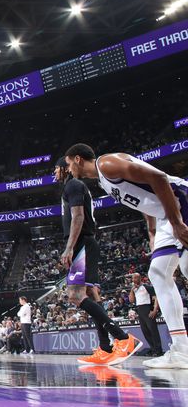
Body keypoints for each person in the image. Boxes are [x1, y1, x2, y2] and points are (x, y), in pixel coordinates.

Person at [65, 143, 188, 369]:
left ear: (78, 159)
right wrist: (151, 229)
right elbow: (142, 198)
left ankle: (182, 349)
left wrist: (178, 223)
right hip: (164, 217)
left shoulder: (108, 164)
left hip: (180, 203)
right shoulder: (103, 180)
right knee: (159, 273)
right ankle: (182, 350)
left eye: (68, 163)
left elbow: (159, 178)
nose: (68, 169)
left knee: (173, 271)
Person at [55, 155, 140, 366]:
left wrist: (69, 247)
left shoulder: (73, 185)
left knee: (74, 295)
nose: (54, 174)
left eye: (56, 169)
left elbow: (78, 217)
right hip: (86, 242)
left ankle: (123, 338)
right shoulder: (76, 186)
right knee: (92, 296)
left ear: (65, 168)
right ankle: (105, 348)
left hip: (81, 243)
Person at [129, 272, 163, 356]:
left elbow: (156, 297)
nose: (133, 280)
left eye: (135, 278)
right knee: (145, 331)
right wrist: (132, 290)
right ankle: (153, 349)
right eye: (132, 278)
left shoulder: (146, 287)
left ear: (140, 278)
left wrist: (154, 310)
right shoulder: (135, 289)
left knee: (153, 330)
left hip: (148, 309)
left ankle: (158, 350)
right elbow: (131, 301)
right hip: (140, 310)